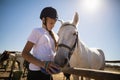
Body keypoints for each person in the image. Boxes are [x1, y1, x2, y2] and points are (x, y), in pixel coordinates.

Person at [22, 7, 60, 80]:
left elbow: (54, 53)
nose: (53, 26)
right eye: (51, 23)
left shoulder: (55, 36)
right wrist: (43, 64)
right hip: (36, 73)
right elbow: (24, 53)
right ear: (43, 20)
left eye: (54, 23)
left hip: (48, 72)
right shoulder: (37, 31)